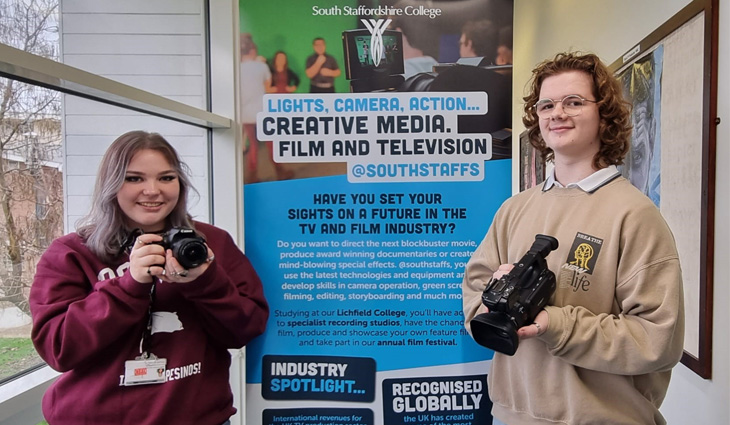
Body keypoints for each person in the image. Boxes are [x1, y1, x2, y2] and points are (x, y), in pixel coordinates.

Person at [462, 52, 684, 425]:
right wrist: (492, 298)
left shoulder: (634, 215)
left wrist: (555, 324)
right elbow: (474, 289)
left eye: (574, 102)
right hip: (508, 416)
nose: (557, 113)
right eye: (546, 104)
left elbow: (656, 339)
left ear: (605, 115)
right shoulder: (514, 209)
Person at [30, 131, 269, 425]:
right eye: (134, 178)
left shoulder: (209, 244)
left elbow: (247, 328)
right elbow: (58, 349)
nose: (153, 190)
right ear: (111, 184)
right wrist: (129, 286)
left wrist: (205, 282)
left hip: (198, 417)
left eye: (166, 178)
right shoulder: (72, 253)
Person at [240, 33, 271, 183]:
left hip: (245, 113)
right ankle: (280, 171)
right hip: (262, 111)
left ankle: (252, 175)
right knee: (271, 143)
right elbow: (269, 89)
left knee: (253, 144)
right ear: (252, 50)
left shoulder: (236, 68)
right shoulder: (261, 66)